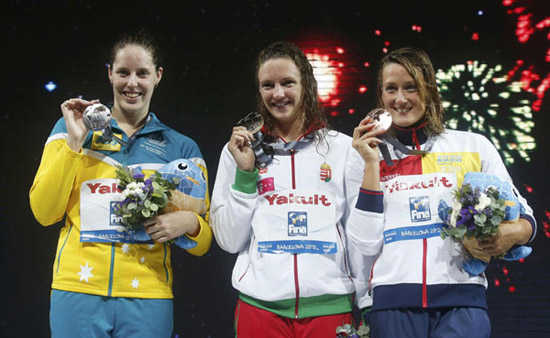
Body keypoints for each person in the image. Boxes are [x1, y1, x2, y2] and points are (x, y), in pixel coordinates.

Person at [29, 30, 212, 337]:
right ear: (110, 73)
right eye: (123, 72)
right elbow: (44, 212)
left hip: (148, 296)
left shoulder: (181, 148)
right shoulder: (71, 128)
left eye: (142, 73)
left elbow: (203, 242)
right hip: (77, 290)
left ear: (158, 76)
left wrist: (190, 222)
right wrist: (74, 143)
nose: (132, 83)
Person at [345, 47, 536, 338]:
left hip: (463, 303)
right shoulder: (365, 155)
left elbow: (525, 217)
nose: (400, 99)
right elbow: (364, 244)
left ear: (429, 90)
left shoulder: (473, 146)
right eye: (391, 89)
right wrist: (371, 164)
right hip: (392, 306)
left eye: (411, 87)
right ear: (380, 96)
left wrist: (513, 234)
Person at [210, 41, 357, 338]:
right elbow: (228, 240)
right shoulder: (237, 151)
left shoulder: (343, 149)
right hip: (260, 309)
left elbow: (359, 236)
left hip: (330, 308)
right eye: (268, 85)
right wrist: (245, 174)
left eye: (287, 83)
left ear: (307, 84)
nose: (278, 94)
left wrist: (366, 301)